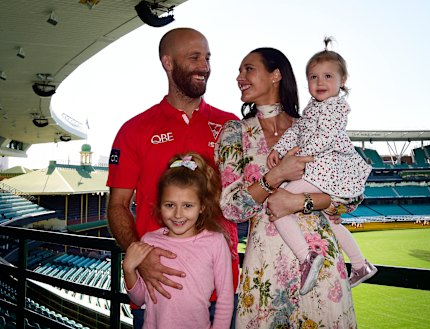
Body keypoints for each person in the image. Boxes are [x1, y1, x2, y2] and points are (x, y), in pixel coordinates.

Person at [215, 47, 359, 327]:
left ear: (275, 75)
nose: (239, 77)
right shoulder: (235, 133)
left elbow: (351, 196)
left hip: (323, 267)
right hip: (266, 269)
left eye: (248, 69)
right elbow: (231, 208)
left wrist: (300, 202)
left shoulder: (315, 125)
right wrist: (276, 175)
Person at [106, 27, 239, 328]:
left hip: (223, 294)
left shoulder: (230, 125)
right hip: (158, 290)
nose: (204, 66)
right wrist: (141, 256)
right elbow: (117, 206)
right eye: (194, 57)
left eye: (207, 57)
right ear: (168, 62)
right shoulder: (134, 129)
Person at [266, 37, 377, 294]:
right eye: (313, 77)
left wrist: (294, 158)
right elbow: (297, 132)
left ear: (342, 81)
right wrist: (279, 149)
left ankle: (306, 257)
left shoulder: (337, 107)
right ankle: (361, 265)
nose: (320, 82)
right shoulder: (312, 109)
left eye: (328, 76)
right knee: (332, 221)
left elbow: (323, 138)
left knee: (275, 204)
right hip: (320, 171)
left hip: (325, 171)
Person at [123, 153, 233, 329]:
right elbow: (140, 298)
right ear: (159, 205)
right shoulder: (149, 241)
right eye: (170, 205)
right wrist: (128, 270)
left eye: (188, 206)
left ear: (202, 207)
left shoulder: (216, 242)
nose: (178, 214)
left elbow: (225, 299)